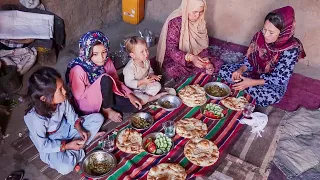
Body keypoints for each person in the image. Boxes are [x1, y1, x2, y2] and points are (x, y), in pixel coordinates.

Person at [219, 6, 306, 106]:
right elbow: (249, 60)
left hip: (270, 82)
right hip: (254, 71)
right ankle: (244, 87)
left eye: (271, 32)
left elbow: (279, 78)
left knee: (267, 97)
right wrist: (241, 70)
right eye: (265, 29)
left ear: (283, 32)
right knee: (224, 71)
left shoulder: (291, 49)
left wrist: (252, 82)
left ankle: (243, 86)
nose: (265, 35)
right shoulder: (259, 36)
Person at [24, 67, 105, 175]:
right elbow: (43, 145)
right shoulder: (35, 119)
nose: (65, 91)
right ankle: (80, 147)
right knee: (65, 168)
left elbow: (72, 117)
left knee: (98, 118)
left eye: (62, 87)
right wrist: (66, 146)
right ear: (44, 98)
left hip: (66, 129)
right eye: (60, 90)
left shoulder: (62, 100)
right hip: (51, 142)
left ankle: (77, 147)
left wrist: (80, 129)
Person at [65, 31, 142, 122]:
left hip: (107, 96)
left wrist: (129, 94)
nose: (101, 57)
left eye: (104, 52)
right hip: (88, 103)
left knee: (134, 106)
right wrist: (97, 89)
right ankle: (107, 110)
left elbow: (116, 80)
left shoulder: (107, 61)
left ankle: (106, 106)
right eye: (95, 54)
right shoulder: (78, 69)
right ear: (86, 52)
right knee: (105, 79)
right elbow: (79, 97)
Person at [156, 0, 223, 81]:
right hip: (178, 58)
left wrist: (206, 62)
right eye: (195, 12)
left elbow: (202, 46)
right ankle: (198, 71)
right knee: (172, 70)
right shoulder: (175, 22)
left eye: (201, 12)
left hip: (196, 56)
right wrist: (191, 58)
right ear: (187, 9)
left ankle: (200, 70)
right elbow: (171, 49)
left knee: (217, 63)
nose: (198, 16)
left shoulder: (200, 22)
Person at [123, 36, 168, 105]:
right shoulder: (129, 68)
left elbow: (149, 70)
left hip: (145, 86)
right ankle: (154, 97)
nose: (146, 53)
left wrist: (152, 75)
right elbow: (128, 83)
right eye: (142, 52)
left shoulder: (146, 61)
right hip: (135, 90)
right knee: (137, 96)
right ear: (133, 55)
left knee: (158, 85)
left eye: (146, 50)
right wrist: (142, 81)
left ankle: (147, 97)